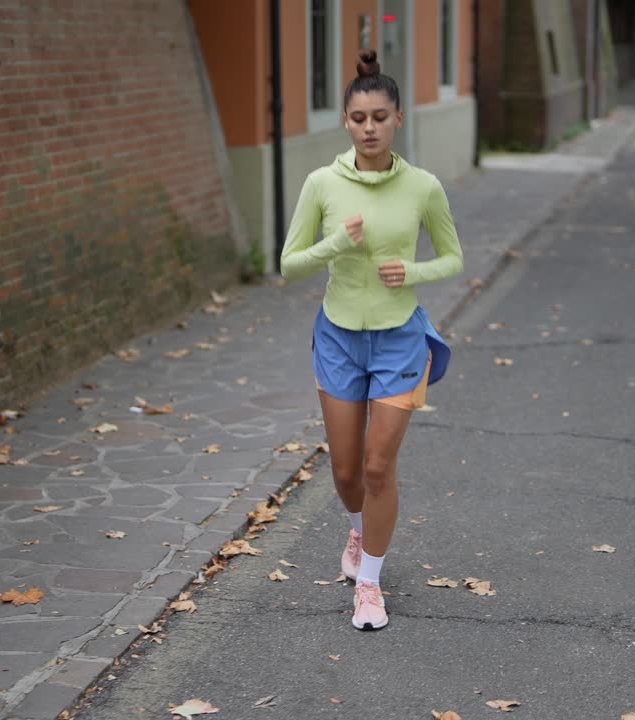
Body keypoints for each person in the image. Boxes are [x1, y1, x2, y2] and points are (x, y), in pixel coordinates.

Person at [280, 49, 464, 631]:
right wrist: (336, 244)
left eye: (380, 117)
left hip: (399, 341)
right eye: (359, 119)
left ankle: (370, 584)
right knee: (346, 474)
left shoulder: (423, 187)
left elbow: (454, 258)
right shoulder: (320, 184)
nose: (369, 128)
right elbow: (288, 265)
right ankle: (358, 532)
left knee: (380, 467)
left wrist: (412, 272)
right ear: (346, 121)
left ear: (398, 119)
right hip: (338, 338)